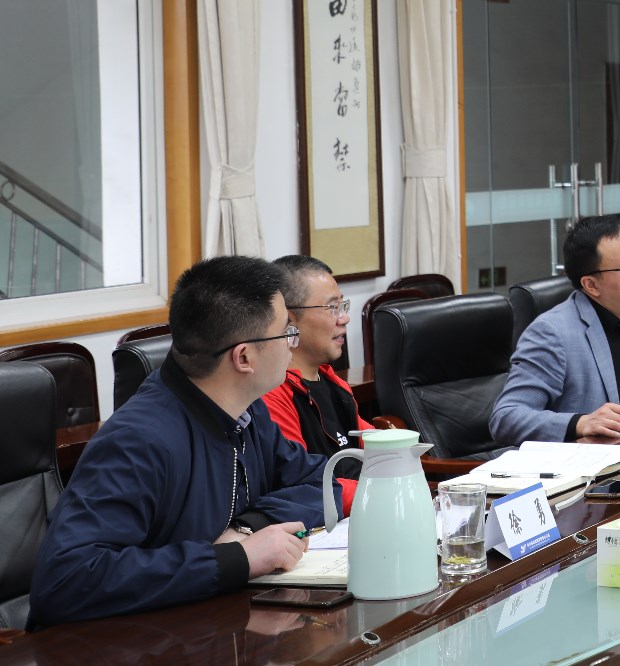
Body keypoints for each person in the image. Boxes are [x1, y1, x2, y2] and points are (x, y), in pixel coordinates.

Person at [29, 257, 327, 628]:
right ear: (244, 357)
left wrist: (249, 528)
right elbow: (66, 580)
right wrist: (238, 558)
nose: (292, 344)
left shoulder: (246, 410)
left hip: (211, 627)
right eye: (286, 332)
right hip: (125, 642)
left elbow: (317, 480)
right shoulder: (137, 442)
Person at [491, 216, 620, 444]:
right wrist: (580, 423)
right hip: (580, 463)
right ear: (591, 285)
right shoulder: (552, 333)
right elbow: (506, 418)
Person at [264, 254, 372, 511]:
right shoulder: (272, 394)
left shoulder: (333, 383)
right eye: (332, 308)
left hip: (362, 511)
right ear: (289, 318)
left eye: (343, 306)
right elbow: (305, 486)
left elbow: (380, 445)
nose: (344, 318)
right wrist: (379, 492)